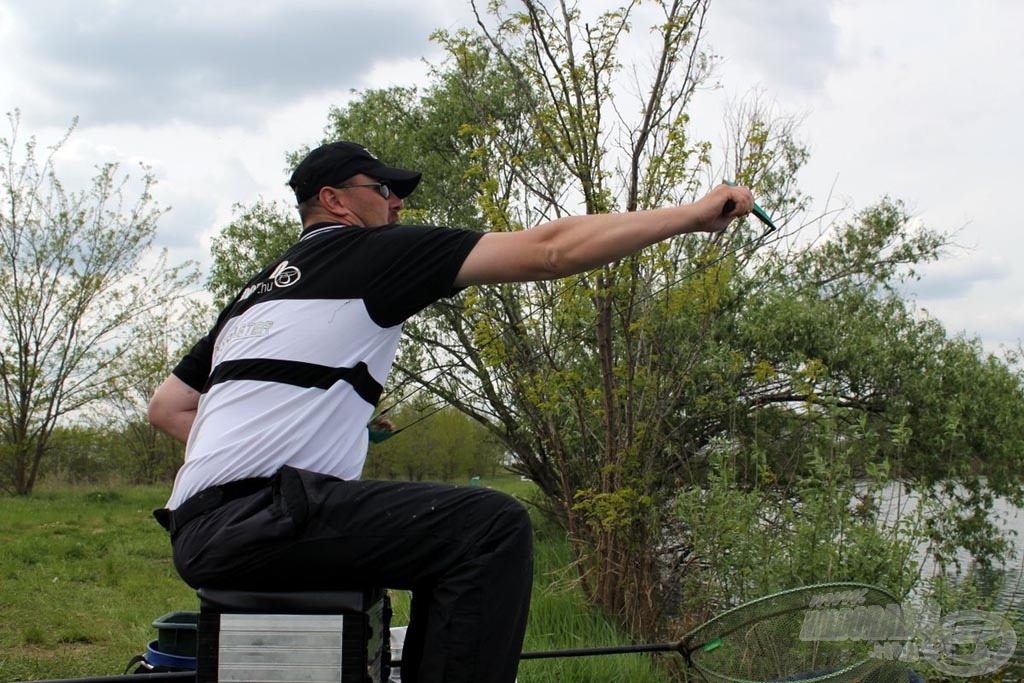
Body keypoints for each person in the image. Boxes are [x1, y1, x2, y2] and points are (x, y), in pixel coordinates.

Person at [148, 140, 755, 683]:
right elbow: (549, 251)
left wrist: (289, 433)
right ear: (334, 200)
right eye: (383, 190)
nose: (397, 205)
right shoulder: (369, 254)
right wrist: (691, 216)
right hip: (258, 518)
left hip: (201, 530)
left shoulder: (256, 293)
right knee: (490, 531)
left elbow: (168, 406)